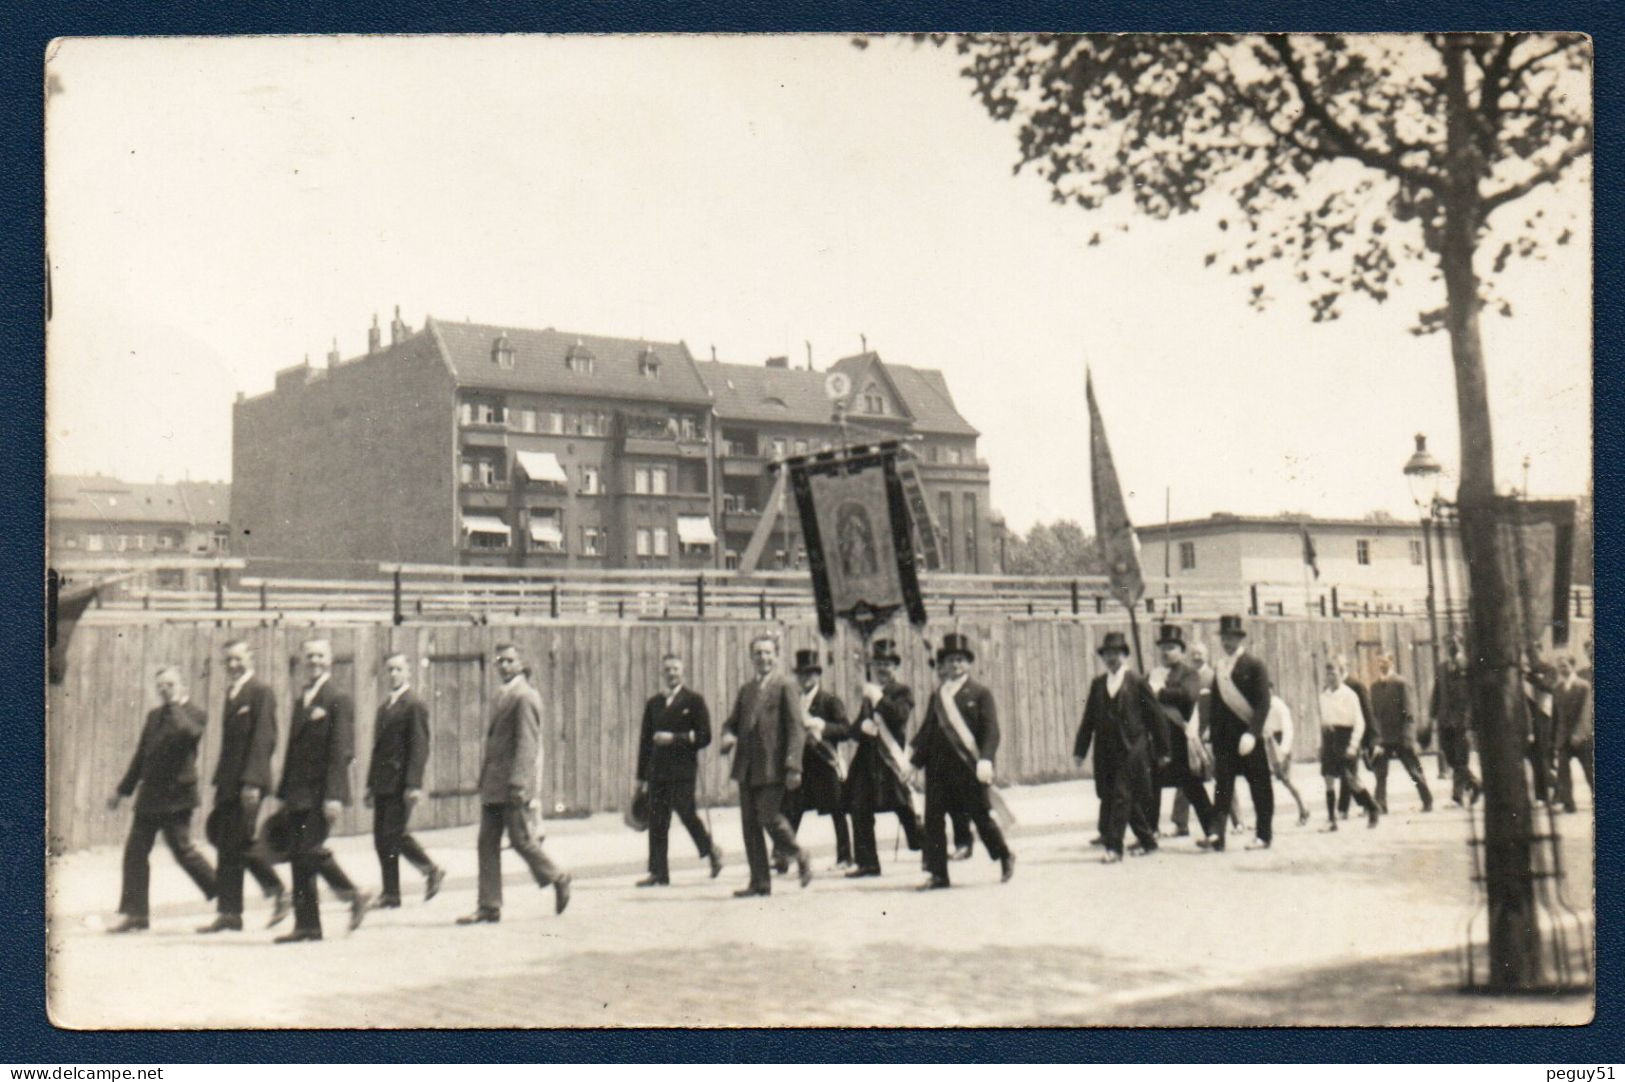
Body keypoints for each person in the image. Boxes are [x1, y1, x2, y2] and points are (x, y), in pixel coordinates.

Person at [459, 641, 572, 923]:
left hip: (512, 785)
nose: (504, 666)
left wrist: (520, 783)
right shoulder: (502, 695)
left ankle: (558, 876)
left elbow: (527, 745)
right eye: (500, 661)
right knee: (487, 842)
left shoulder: (525, 697)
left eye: (510, 660)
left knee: (521, 840)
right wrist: (484, 778)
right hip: (494, 785)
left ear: (522, 664)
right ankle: (489, 904)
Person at [106, 666, 218, 932]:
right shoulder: (154, 716)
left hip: (178, 797)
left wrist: (176, 705)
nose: (164, 690)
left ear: (182, 686)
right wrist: (122, 791)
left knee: (183, 851)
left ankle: (227, 896)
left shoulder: (194, 713)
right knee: (135, 852)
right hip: (150, 797)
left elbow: (189, 734)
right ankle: (136, 916)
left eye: (170, 684)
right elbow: (141, 757)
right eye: (161, 686)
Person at [275, 638, 372, 943]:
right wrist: (284, 795)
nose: (314, 661)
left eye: (320, 656)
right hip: (298, 792)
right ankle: (307, 926)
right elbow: (292, 750)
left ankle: (354, 895)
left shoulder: (337, 698)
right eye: (309, 656)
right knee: (298, 855)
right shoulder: (302, 698)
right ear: (303, 661)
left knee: (310, 850)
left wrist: (333, 796)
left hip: (321, 792)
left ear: (329, 660)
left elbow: (340, 750)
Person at [910, 633, 1015, 889]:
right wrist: (914, 763)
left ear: (968, 663)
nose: (955, 665)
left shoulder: (980, 693)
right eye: (950, 660)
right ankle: (938, 874)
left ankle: (1003, 854)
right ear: (943, 665)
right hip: (938, 769)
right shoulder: (938, 696)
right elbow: (927, 732)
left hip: (968, 767)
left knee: (980, 817)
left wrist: (986, 759)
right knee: (934, 820)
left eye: (960, 660)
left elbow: (992, 730)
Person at [198, 639, 288, 934]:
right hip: (228, 781)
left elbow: (265, 739)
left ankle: (276, 892)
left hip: (248, 782)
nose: (233, 666)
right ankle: (230, 913)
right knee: (229, 844)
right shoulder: (232, 693)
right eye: (228, 661)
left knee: (238, 842)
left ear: (252, 657)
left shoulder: (261, 692)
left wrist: (252, 783)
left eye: (238, 659)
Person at [719, 635, 812, 896]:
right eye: (758, 653)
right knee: (749, 825)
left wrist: (794, 766)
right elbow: (732, 722)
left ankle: (798, 853)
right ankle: (759, 881)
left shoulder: (786, 686)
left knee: (769, 816)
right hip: (746, 767)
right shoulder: (746, 690)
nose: (763, 658)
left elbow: (796, 729)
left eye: (768, 653)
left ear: (776, 656)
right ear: (752, 658)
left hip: (773, 766)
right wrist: (727, 735)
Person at [1074, 631, 1168, 862]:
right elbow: (1089, 720)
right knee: (1122, 797)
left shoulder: (1137, 682)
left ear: (1125, 655)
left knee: (1121, 796)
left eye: (1116, 653)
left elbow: (1156, 717)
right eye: (1107, 654)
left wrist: (1164, 750)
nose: (1111, 658)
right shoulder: (1098, 684)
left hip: (1132, 749)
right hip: (1106, 751)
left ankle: (1114, 847)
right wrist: (1080, 750)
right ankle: (1148, 841)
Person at [634, 654, 723, 886]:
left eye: (675, 669)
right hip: (657, 771)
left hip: (682, 771)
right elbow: (645, 742)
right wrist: (640, 777)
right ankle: (658, 873)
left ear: (683, 672)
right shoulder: (654, 703)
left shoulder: (694, 701)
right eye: (667, 669)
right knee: (657, 820)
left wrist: (674, 738)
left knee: (686, 813)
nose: (671, 673)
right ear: (662, 673)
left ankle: (710, 851)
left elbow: (705, 736)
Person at [365, 653, 444, 908]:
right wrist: (370, 785)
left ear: (408, 672)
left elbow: (419, 747)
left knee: (394, 834)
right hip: (382, 783)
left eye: (398, 669)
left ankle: (430, 869)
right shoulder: (384, 706)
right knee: (381, 838)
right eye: (389, 670)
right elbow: (378, 750)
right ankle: (391, 893)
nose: (393, 674)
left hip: (401, 783)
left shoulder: (414, 704)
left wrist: (414, 785)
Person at [844, 639, 923, 878]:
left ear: (895, 667)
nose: (882, 668)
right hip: (867, 762)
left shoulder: (902, 692)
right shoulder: (870, 693)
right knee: (859, 809)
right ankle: (868, 863)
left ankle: (928, 849)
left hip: (889, 762)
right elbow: (853, 732)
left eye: (887, 664)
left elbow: (899, 716)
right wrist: (862, 727)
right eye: (878, 663)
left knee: (904, 809)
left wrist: (879, 699)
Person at [1203, 615, 1274, 852]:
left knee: (1259, 787)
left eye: (1232, 637)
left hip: (1248, 738)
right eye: (1224, 638)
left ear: (1240, 638)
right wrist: (1212, 738)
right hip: (1225, 739)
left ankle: (1263, 835)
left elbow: (1264, 703)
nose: (1227, 642)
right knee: (1223, 787)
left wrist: (1253, 733)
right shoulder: (1220, 667)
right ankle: (1217, 835)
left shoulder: (1254, 665)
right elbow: (1215, 705)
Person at [782, 649, 853, 870]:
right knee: (792, 811)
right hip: (802, 765)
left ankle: (844, 857)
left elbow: (845, 729)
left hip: (825, 763)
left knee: (837, 810)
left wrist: (822, 727)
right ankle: (784, 857)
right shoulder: (793, 701)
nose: (806, 678)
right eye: (802, 674)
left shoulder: (829, 700)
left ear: (818, 676)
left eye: (811, 674)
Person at [1148, 625, 1216, 842]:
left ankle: (1213, 831)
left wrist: (1160, 691)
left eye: (1171, 647)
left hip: (1179, 738)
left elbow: (1187, 695)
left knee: (1192, 787)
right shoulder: (1153, 673)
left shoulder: (1189, 673)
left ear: (1181, 650)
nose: (1166, 652)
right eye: (1163, 647)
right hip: (1158, 739)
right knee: (1152, 787)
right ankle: (1149, 832)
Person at [1318, 658, 1380, 831]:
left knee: (1351, 780)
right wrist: (1323, 742)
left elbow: (1360, 722)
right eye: (1328, 674)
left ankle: (1373, 808)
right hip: (1330, 739)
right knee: (1328, 778)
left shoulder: (1349, 694)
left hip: (1346, 737)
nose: (1331, 678)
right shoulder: (1324, 695)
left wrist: (1353, 745)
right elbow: (1324, 718)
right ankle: (1331, 820)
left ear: (1341, 673)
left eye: (1335, 674)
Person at [1369, 653, 1433, 813]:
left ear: (1392, 663)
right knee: (1380, 773)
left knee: (1413, 771)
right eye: (1379, 662)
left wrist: (1408, 737)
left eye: (1385, 662)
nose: (1382, 665)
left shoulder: (1401, 684)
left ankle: (1427, 800)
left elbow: (1410, 713)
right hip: (1383, 737)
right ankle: (1380, 804)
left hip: (1401, 736)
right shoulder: (1374, 687)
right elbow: (1374, 714)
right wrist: (1375, 739)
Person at [1169, 641, 1217, 837]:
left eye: (1200, 654)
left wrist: (1211, 731)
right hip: (1187, 732)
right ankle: (1181, 823)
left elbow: (1217, 708)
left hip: (1206, 734)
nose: (1196, 657)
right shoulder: (1183, 675)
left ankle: (1235, 821)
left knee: (1219, 779)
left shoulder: (1212, 677)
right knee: (1187, 780)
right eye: (1194, 654)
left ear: (1207, 655)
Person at [1430, 635, 1481, 805]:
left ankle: (1457, 794)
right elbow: (1436, 693)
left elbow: (1474, 695)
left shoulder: (1468, 667)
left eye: (1454, 643)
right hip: (1444, 720)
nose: (1451, 647)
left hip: (1462, 721)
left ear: (1460, 645)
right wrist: (1432, 717)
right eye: (1448, 644)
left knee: (1460, 758)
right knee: (1450, 756)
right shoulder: (1442, 668)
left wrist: (1472, 720)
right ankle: (1476, 783)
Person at [1552, 653, 1594, 813]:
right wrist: (1553, 739)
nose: (1562, 669)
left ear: (1572, 666)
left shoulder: (1584, 686)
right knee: (1562, 771)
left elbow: (1586, 712)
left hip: (1581, 737)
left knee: (1589, 770)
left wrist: (1579, 733)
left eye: (1565, 666)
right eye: (1560, 666)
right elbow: (1555, 715)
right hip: (1563, 737)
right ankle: (1568, 803)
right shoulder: (1557, 689)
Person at [1337, 664, 1380, 819]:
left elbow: (1367, 712)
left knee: (1348, 773)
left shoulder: (1356, 686)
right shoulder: (1333, 688)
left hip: (1357, 735)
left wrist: (1373, 739)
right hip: (1340, 737)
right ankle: (1363, 805)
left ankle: (1348, 808)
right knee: (1348, 773)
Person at [1265, 690, 1311, 826]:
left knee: (1285, 779)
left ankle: (1303, 808)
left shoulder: (1278, 705)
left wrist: (1283, 751)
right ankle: (1264, 819)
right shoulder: (1261, 704)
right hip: (1267, 742)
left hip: (1278, 743)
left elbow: (1288, 729)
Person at [1523, 641, 1559, 805]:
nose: (1532, 656)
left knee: (1542, 756)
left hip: (1544, 716)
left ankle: (1553, 789)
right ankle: (1544, 793)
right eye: (1529, 653)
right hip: (1529, 717)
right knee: (1534, 757)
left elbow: (1548, 686)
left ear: (1541, 650)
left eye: (1534, 652)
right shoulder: (1524, 671)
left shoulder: (1549, 669)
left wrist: (1530, 676)